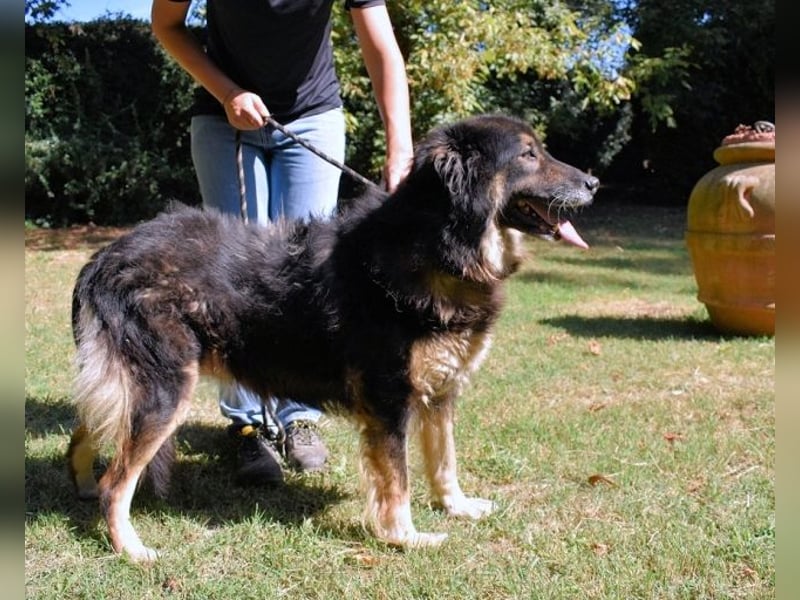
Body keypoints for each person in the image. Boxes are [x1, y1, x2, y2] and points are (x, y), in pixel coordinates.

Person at [151, 0, 413, 484]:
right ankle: (248, 426)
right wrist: (228, 92)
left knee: (310, 273)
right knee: (239, 274)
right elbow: (166, 24)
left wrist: (401, 147)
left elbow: (383, 49)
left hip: (313, 116)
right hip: (224, 117)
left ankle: (299, 418)